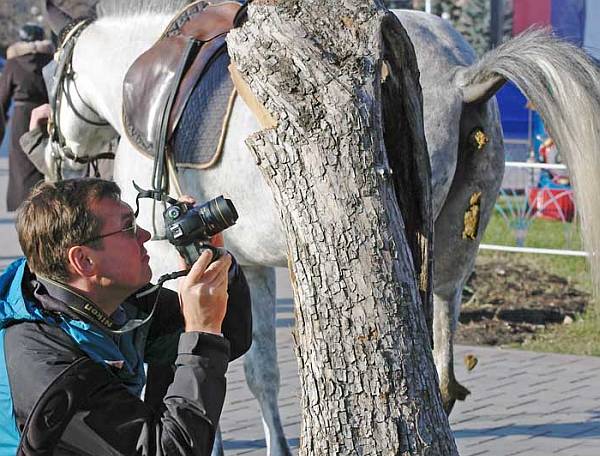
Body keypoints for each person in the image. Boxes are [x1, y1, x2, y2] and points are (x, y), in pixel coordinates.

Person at [0, 178, 252, 454]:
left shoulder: (113, 301)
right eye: (128, 228)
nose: (145, 235)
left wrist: (213, 263)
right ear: (83, 260)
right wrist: (200, 332)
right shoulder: (49, 367)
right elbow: (168, 450)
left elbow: (229, 337)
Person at [0, 24, 54, 211]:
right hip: (48, 116)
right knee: (45, 160)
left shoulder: (14, 63)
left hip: (22, 118)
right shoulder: (50, 60)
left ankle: (25, 207)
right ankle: (47, 202)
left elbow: (2, 97)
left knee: (22, 164)